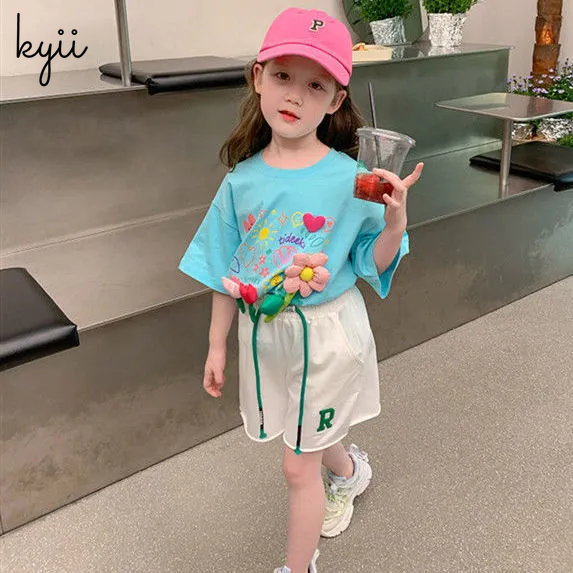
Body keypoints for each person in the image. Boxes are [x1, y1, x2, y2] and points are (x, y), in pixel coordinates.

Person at [179, 7, 423, 573]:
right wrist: (216, 346)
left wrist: (393, 224)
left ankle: (297, 566)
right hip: (266, 334)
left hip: (328, 334)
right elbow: (223, 269)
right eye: (283, 76)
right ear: (258, 77)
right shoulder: (241, 181)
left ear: (336, 100)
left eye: (316, 85)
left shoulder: (353, 179)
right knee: (303, 427)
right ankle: (350, 471)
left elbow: (370, 262)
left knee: (296, 466)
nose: (295, 95)